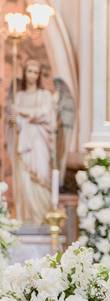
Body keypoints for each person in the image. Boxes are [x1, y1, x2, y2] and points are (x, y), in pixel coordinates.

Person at [5, 59, 57, 225]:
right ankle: (25, 217)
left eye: (36, 72)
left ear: (39, 75)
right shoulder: (18, 97)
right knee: (24, 179)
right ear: (24, 73)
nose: (32, 75)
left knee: (40, 176)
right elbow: (12, 123)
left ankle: (41, 217)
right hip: (22, 144)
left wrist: (20, 112)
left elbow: (45, 114)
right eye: (29, 71)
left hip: (39, 143)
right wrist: (13, 120)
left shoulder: (44, 95)